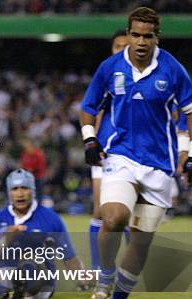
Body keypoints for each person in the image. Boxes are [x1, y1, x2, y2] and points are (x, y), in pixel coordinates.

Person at [80, 7, 192, 299]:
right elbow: (89, 106)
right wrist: (90, 138)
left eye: (148, 35)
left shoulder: (173, 70)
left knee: (141, 241)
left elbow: (189, 111)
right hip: (120, 155)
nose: (141, 41)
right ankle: (105, 275)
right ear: (128, 34)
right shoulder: (110, 67)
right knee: (113, 216)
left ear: (157, 37)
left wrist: (190, 153)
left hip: (159, 165)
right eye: (136, 34)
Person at [0, 169, 90, 299]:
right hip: (5, 274)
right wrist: (6, 239)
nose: (20, 193)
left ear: (33, 191)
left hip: (38, 278)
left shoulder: (51, 218)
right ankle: (3, 292)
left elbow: (69, 256)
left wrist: (84, 277)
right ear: (9, 192)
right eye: (15, 189)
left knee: (29, 256)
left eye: (24, 188)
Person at [88, 29, 129, 273]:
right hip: (104, 151)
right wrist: (92, 141)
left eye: (126, 46)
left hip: (131, 152)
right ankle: (98, 267)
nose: (122, 50)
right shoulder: (105, 77)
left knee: (128, 212)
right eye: (117, 46)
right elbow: (93, 112)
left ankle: (132, 267)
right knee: (99, 209)